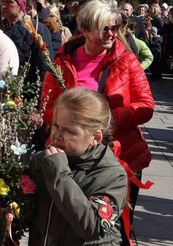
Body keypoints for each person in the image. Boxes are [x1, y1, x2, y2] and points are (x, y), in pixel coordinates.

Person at [41, 0, 154, 244]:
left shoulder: (126, 60)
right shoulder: (63, 62)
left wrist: (105, 121)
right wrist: (69, 122)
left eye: (115, 27)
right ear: (85, 29)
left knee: (116, 229)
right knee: (70, 222)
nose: (111, 34)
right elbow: (47, 108)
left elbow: (146, 106)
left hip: (121, 155)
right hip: (73, 158)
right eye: (104, 28)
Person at [30, 88, 127, 246]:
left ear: (95, 138)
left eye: (68, 131)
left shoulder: (113, 175)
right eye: (55, 125)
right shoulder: (45, 160)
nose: (57, 135)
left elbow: (93, 227)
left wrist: (59, 174)